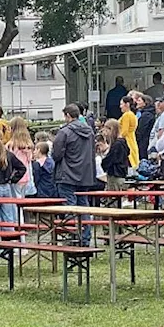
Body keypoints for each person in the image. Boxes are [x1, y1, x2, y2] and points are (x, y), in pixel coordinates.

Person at [51, 104, 97, 243]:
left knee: (70, 207)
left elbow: (56, 154)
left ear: (68, 116)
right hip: (85, 174)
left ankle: (73, 236)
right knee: (83, 207)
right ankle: (85, 238)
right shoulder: (90, 132)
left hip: (67, 174)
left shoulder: (64, 132)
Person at [7, 117, 35, 201]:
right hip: (25, 176)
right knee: (22, 200)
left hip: (14, 176)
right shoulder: (29, 145)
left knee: (14, 202)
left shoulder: (11, 145)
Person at [100, 119, 131, 193]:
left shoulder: (117, 145)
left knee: (113, 199)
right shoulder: (122, 142)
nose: (105, 134)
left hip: (115, 175)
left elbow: (110, 159)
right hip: (121, 174)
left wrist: (103, 163)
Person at [118, 96, 140, 170]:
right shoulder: (132, 114)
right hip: (132, 139)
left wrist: (118, 139)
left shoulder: (127, 115)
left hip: (126, 140)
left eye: (121, 104)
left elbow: (124, 131)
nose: (120, 106)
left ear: (127, 104)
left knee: (130, 159)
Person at [134, 94, 155, 160]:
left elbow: (141, 130)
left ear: (145, 103)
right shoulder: (145, 113)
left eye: (139, 100)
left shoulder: (146, 115)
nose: (137, 102)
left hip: (143, 143)